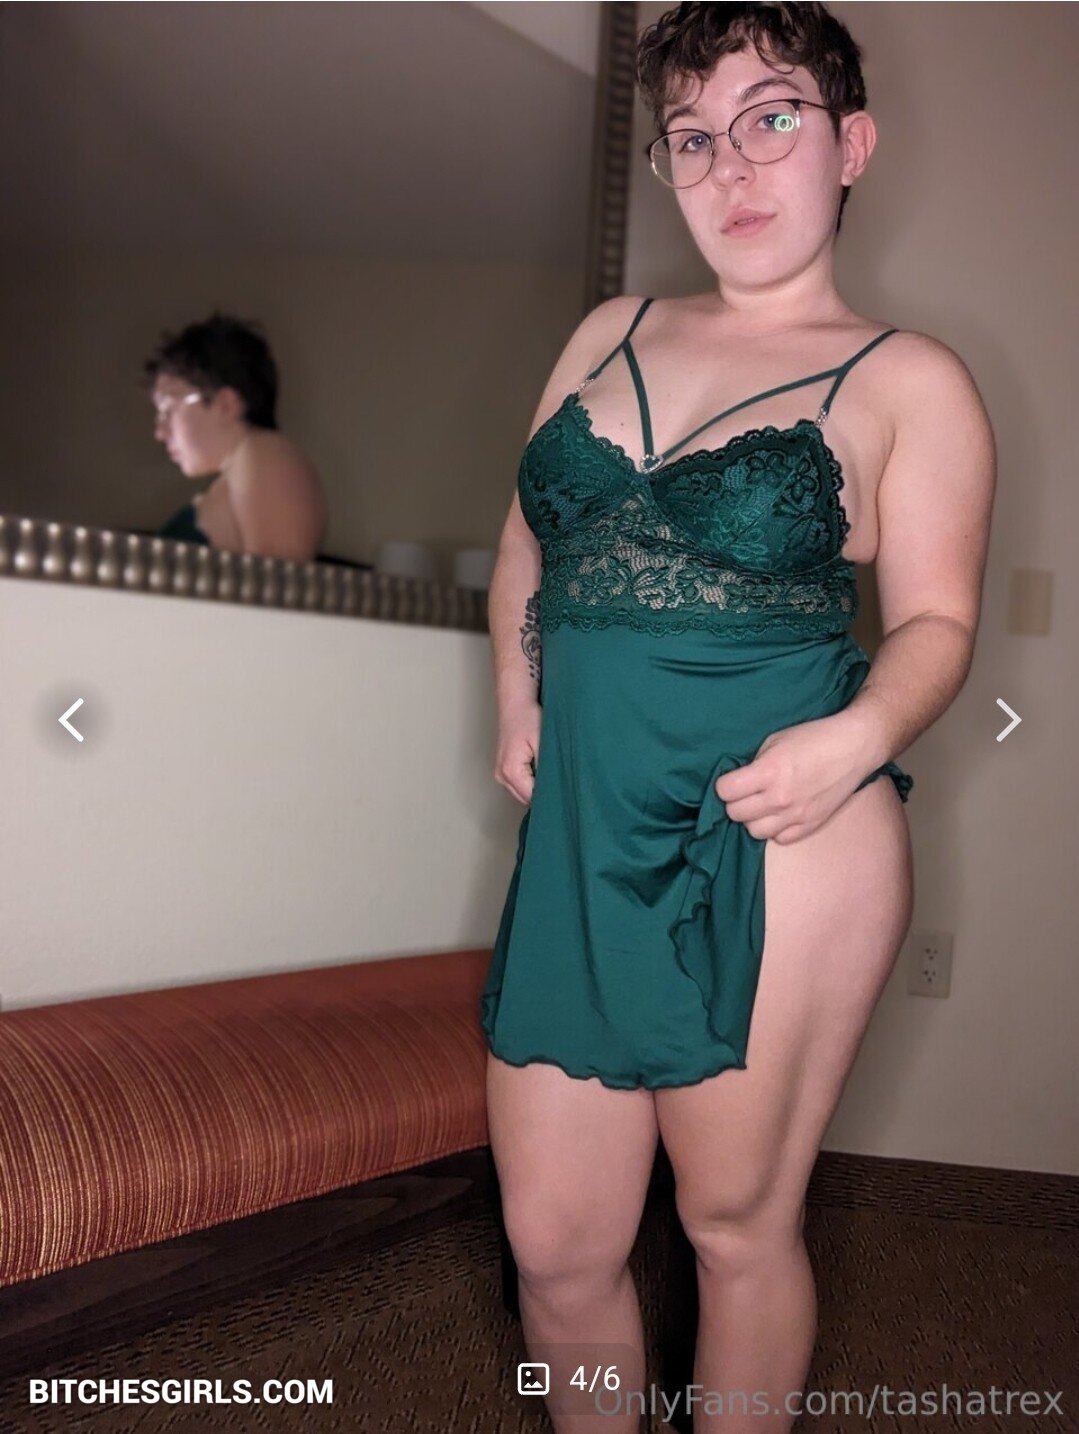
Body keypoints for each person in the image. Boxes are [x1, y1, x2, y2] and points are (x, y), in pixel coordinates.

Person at [481, 4, 995, 1431]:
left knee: (730, 1225)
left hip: (781, 827)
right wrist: (515, 687)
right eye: (693, 137)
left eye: (771, 118)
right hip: (583, 827)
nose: (732, 166)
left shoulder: (909, 378)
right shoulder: (609, 330)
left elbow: (939, 625)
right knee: (554, 1244)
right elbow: (522, 542)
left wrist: (853, 742)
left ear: (851, 145)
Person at [146, 313, 326, 561]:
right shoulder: (242, 467)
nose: (160, 432)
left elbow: (278, 579)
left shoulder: (264, 453)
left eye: (169, 408)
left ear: (226, 404)